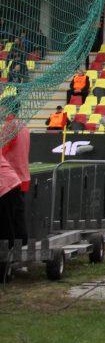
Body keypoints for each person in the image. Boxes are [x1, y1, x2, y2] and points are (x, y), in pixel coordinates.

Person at [0, 97, 31, 251]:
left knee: (9, 218)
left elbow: (2, 149)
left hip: (10, 178)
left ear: (8, 108)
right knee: (18, 215)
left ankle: (14, 251)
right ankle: (21, 247)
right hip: (22, 176)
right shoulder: (23, 125)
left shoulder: (10, 126)